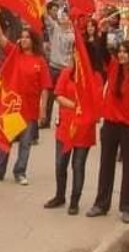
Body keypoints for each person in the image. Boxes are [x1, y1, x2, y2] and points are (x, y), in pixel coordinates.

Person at [86, 41, 129, 224]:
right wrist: (101, 33)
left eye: (125, 52)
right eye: (120, 51)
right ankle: (101, 204)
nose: (121, 55)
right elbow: (100, 50)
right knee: (106, 165)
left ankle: (127, 208)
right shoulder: (113, 67)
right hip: (110, 124)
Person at [0, 6, 51, 185]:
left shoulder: (40, 62)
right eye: (22, 37)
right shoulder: (14, 53)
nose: (23, 40)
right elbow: (1, 38)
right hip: (13, 108)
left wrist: (43, 110)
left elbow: (45, 88)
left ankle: (20, 172)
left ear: (33, 40)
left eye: (27, 37)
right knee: (5, 141)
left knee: (25, 144)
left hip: (30, 111)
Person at [43, 60, 98, 215]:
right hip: (66, 125)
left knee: (78, 165)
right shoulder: (67, 72)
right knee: (60, 163)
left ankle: (75, 201)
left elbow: (97, 102)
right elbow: (58, 95)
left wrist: (85, 110)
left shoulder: (94, 76)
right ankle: (60, 196)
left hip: (84, 128)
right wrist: (76, 106)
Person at [43, 6, 75, 129]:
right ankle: (46, 120)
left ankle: (62, 119)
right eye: (61, 16)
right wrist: (42, 2)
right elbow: (46, 17)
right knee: (49, 95)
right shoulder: (55, 28)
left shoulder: (72, 36)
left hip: (65, 69)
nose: (62, 18)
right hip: (53, 66)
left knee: (63, 96)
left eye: (65, 16)